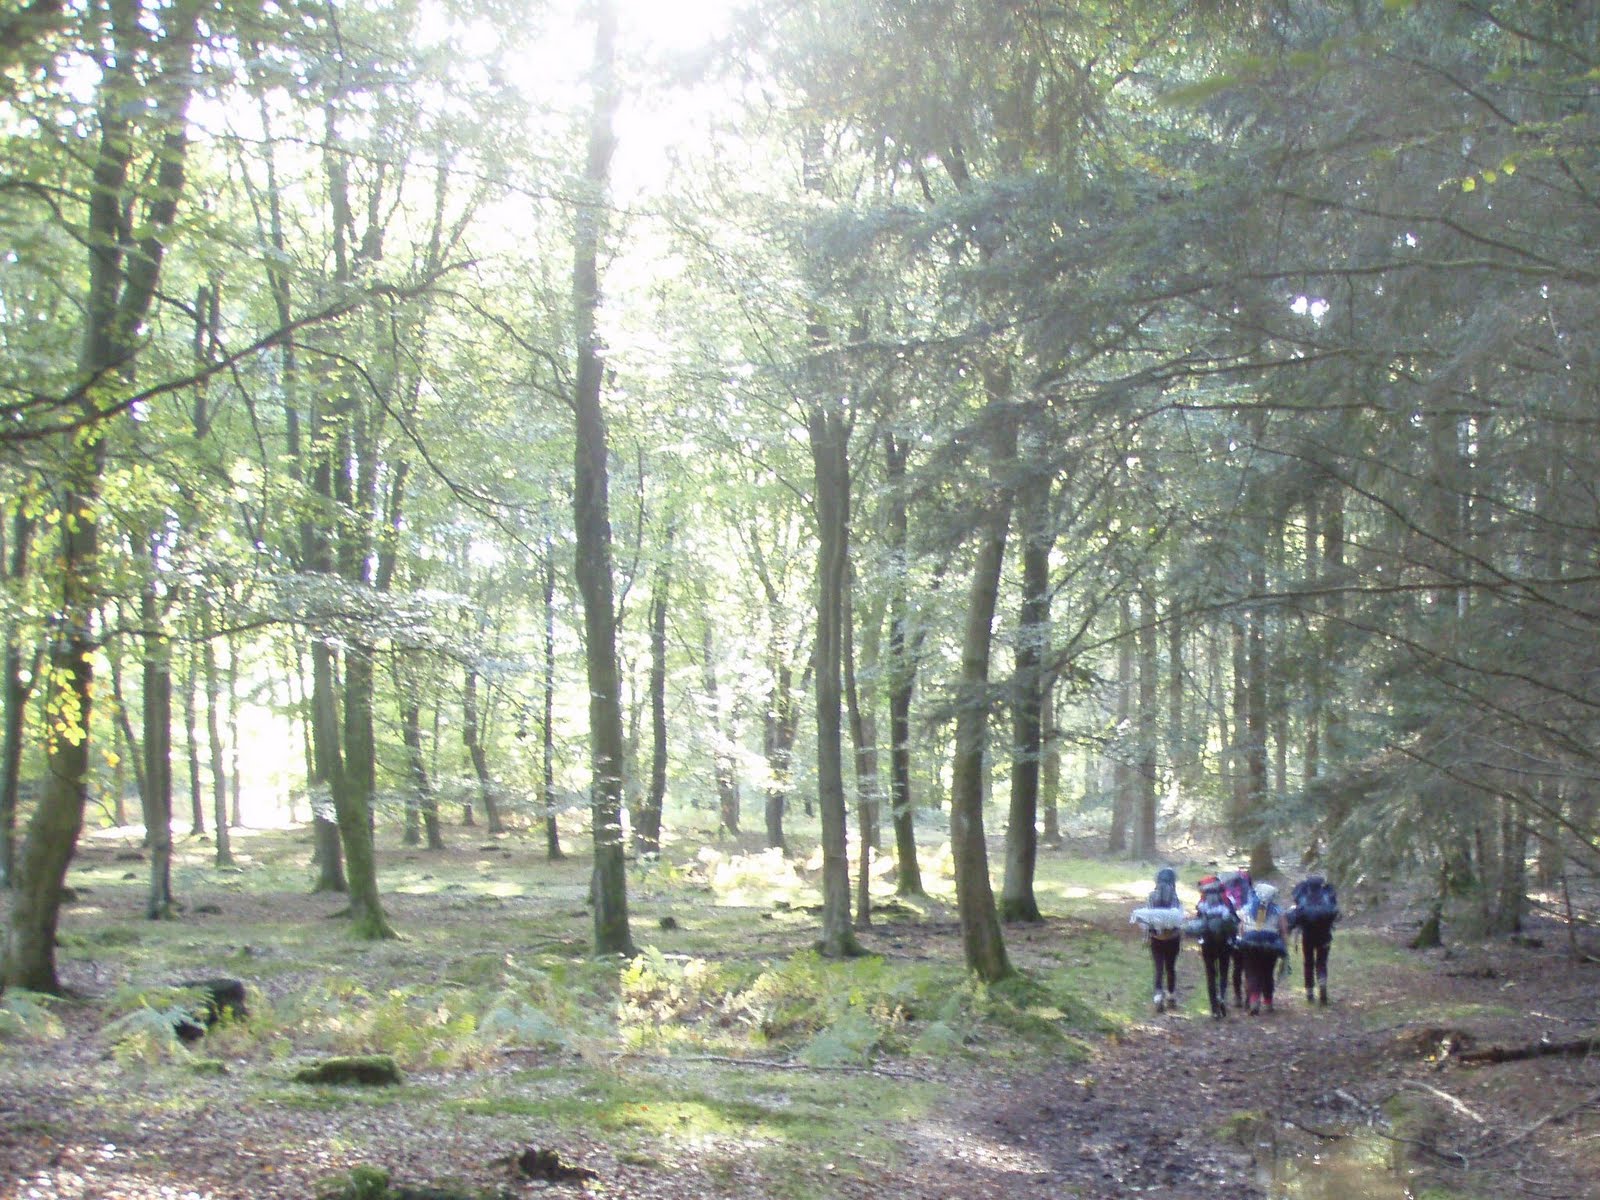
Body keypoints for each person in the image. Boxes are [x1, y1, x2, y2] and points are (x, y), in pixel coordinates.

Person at [1235, 882, 1289, 1015]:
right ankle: (1268, 1001)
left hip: (1250, 943)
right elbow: (1283, 930)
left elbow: (1241, 928)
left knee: (1252, 972)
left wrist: (1243, 941)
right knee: (1268, 972)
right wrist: (1284, 946)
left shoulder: (1247, 908)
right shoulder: (1278, 910)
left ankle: (1254, 1000)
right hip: (1270, 944)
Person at [1289, 874, 1340, 1005]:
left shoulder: (1303, 896)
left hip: (1307, 935)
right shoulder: (1327, 896)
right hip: (1325, 935)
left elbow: (1297, 915)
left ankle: (1309, 992)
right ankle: (1322, 982)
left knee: (1308, 962)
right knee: (1322, 962)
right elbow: (1336, 914)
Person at [1193, 874, 1239, 1019]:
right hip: (1225, 942)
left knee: (1210, 974)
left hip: (1207, 942)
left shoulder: (1202, 902)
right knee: (1224, 971)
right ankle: (1222, 996)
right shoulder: (1227, 900)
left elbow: (1198, 923)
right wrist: (1233, 939)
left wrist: (1199, 939)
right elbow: (1234, 920)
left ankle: (1214, 1008)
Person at [1144, 866, 1184, 1012]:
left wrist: (1146, 937)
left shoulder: (1151, 896)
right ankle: (1171, 996)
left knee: (1158, 967)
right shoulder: (1175, 898)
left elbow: (1147, 919)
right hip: (1172, 938)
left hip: (1156, 938)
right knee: (1171, 967)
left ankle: (1158, 996)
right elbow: (1179, 920)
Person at [1218, 869, 1253, 1006]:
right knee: (1249, 966)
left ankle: (1237, 996)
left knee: (1237, 966)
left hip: (1233, 934)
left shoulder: (1226, 895)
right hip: (1249, 932)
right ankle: (1249, 997)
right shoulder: (1250, 893)